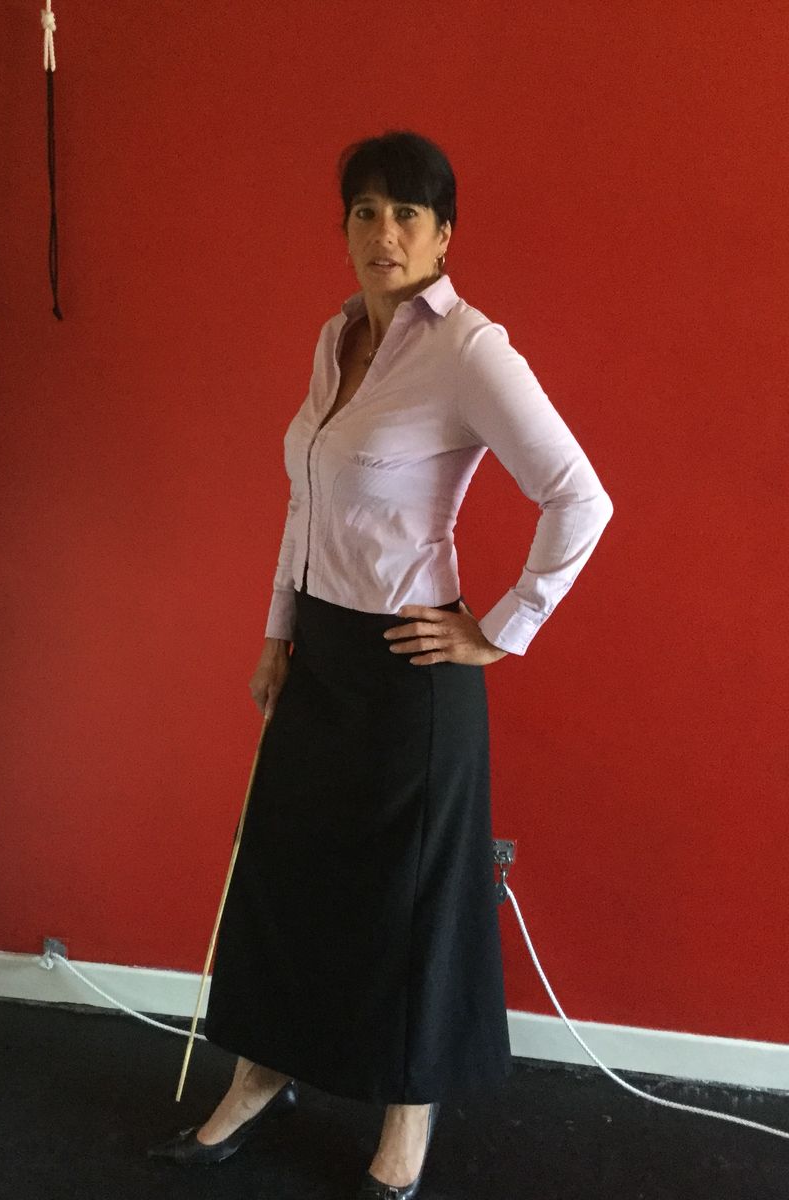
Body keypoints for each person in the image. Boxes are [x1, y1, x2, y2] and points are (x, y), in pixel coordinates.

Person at [148, 130, 614, 1198]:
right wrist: (278, 630)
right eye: (365, 211)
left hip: (412, 671)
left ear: (444, 234)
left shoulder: (470, 351)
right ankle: (261, 1076)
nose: (384, 231)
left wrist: (499, 629)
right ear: (345, 228)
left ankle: (407, 1120)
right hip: (321, 655)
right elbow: (305, 498)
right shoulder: (335, 339)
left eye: (408, 213)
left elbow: (579, 497)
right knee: (287, 879)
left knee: (411, 906)